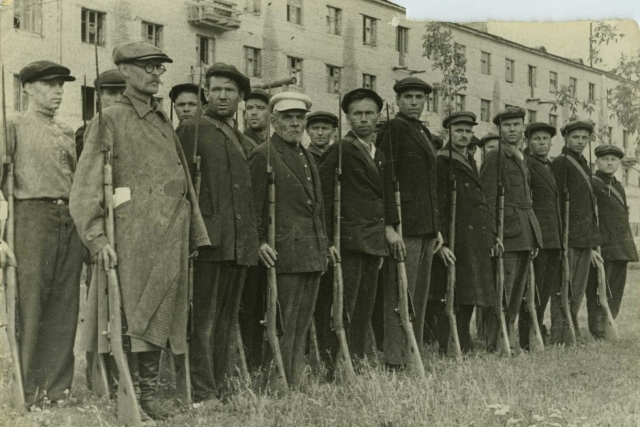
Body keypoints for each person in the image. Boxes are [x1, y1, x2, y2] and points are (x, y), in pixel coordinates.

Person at [70, 42, 210, 421]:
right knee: (131, 318)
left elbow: (184, 183)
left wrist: (195, 233)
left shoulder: (163, 120)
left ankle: (146, 395)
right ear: (125, 71)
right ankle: (126, 395)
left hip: (169, 236)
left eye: (159, 68)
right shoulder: (110, 118)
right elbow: (85, 187)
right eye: (147, 67)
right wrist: (97, 239)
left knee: (160, 314)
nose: (155, 74)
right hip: (131, 239)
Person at [1, 60, 84, 407]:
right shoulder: (12, 125)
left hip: (68, 219)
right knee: (30, 302)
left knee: (65, 303)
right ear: (27, 88)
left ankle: (57, 388)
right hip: (30, 218)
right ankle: (27, 386)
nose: (57, 91)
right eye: (49, 84)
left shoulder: (67, 131)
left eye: (61, 85)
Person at [176, 63, 258, 401]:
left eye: (230, 90)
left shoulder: (241, 140)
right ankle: (202, 389)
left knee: (226, 320)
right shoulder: (190, 130)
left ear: (240, 97)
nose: (222, 96)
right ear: (206, 93)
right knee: (204, 321)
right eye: (216, 89)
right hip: (206, 242)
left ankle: (221, 383)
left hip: (237, 243)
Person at [249, 92, 333, 388]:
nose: (295, 124)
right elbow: (252, 206)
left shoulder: (306, 156)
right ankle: (275, 381)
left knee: (301, 320)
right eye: (288, 118)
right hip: (283, 253)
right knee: (282, 321)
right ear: (274, 121)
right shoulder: (264, 154)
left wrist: (324, 246)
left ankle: (294, 376)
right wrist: (260, 242)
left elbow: (317, 209)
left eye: (300, 118)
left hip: (311, 252)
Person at [318, 88, 388, 367]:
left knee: (363, 308)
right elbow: (323, 196)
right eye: (357, 114)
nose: (363, 119)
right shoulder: (340, 150)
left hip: (372, 241)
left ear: (378, 117)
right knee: (342, 307)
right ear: (347, 118)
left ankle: (355, 362)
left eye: (369, 113)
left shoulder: (378, 152)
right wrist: (328, 241)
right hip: (347, 242)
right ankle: (332, 364)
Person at [376, 77, 443, 368]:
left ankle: (412, 350)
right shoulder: (393, 128)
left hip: (425, 225)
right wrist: (389, 224)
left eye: (419, 97)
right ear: (398, 100)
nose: (414, 102)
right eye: (408, 97)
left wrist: (436, 226)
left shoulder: (422, 131)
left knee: (418, 293)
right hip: (406, 226)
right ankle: (395, 356)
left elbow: (430, 184)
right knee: (400, 290)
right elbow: (385, 181)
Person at [429, 111, 497, 354]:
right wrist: (443, 240)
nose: (465, 135)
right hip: (454, 236)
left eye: (468, 131)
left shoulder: (469, 158)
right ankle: (449, 343)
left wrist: (490, 233)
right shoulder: (442, 160)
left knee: (469, 291)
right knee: (452, 292)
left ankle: (462, 340)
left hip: (473, 237)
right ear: (448, 132)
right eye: (459, 131)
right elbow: (438, 203)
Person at [480, 106, 542, 353]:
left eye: (517, 124)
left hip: (524, 232)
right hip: (507, 234)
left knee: (516, 292)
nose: (512, 129)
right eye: (507, 125)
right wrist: (494, 235)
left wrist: (534, 236)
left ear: (523, 127)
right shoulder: (495, 157)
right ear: (500, 129)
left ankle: (508, 338)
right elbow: (486, 200)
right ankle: (496, 342)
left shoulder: (521, 157)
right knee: (502, 290)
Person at [550, 120, 603, 342]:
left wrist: (591, 243)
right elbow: (558, 203)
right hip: (568, 236)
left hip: (583, 237)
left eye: (584, 138)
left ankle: (571, 328)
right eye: (576, 137)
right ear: (566, 138)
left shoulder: (583, 163)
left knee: (578, 288)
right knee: (564, 286)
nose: (580, 142)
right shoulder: (561, 163)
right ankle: (560, 332)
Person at [586, 144, 638, 338]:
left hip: (620, 246)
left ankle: (609, 323)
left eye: (613, 159)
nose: (609, 162)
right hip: (604, 246)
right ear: (597, 161)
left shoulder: (617, 185)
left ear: (618, 163)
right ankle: (598, 328)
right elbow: (588, 215)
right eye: (605, 159)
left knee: (616, 288)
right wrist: (592, 246)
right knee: (599, 289)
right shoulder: (593, 183)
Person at [518, 122, 562, 349]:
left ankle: (538, 329)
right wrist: (532, 238)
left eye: (545, 139)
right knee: (533, 290)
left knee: (545, 289)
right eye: (536, 139)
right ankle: (527, 337)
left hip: (553, 239)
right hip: (539, 238)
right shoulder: (528, 166)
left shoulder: (548, 166)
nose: (542, 143)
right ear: (528, 142)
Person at [75, 69, 126, 159]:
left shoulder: (134, 128)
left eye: (122, 93)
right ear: (98, 96)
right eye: (112, 93)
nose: (119, 99)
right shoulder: (86, 132)